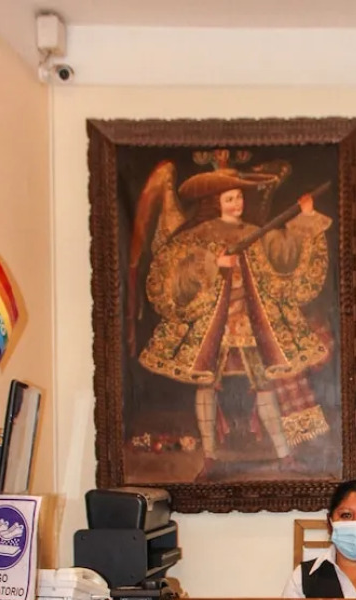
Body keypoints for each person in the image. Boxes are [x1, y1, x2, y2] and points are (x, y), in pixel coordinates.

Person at [132, 164, 333, 479]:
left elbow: (284, 254)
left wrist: (304, 217)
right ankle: (210, 457)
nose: (236, 204)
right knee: (207, 387)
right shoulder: (198, 236)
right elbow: (175, 274)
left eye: (239, 197)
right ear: (215, 203)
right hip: (214, 326)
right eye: (229, 199)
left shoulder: (253, 232)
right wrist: (214, 263)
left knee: (265, 387)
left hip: (251, 325)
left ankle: (284, 455)